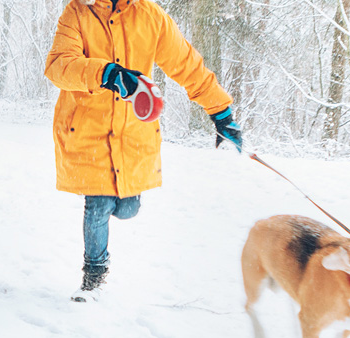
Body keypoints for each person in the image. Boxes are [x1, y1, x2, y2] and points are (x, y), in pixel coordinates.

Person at [44, 0, 243, 302]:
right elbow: (59, 66)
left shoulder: (150, 16)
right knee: (97, 205)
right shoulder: (78, 12)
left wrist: (221, 112)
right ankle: (94, 278)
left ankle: (123, 203)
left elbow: (187, 65)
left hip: (131, 133)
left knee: (126, 209)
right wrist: (107, 74)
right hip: (88, 130)